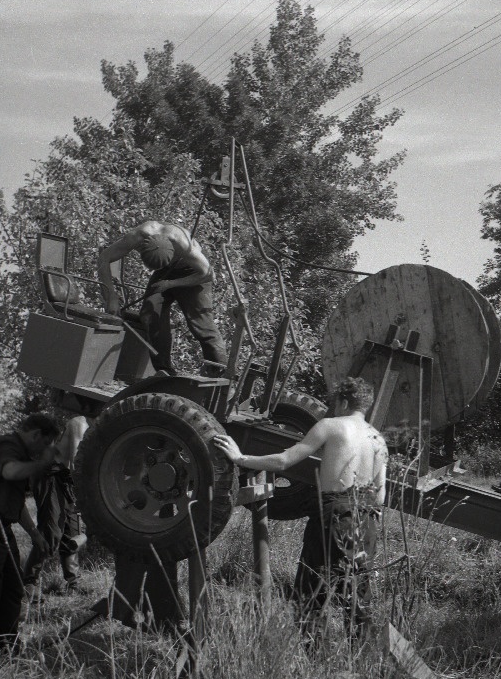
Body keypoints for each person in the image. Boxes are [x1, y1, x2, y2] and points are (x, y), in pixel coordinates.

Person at [213, 377, 388, 642]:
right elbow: (381, 495)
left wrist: (241, 458)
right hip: (367, 519)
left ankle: (316, 658)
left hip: (335, 515)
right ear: (366, 405)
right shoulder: (379, 439)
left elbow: (284, 461)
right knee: (357, 597)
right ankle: (363, 661)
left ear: (342, 402)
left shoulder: (330, 426)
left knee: (310, 594)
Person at [0, 413, 60, 656]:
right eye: (45, 444)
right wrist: (42, 464)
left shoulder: (21, 454)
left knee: (13, 585)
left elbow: (16, 503)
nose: (43, 451)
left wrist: (34, 534)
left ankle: (5, 643)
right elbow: (10, 472)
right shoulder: (5, 445)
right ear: (36, 434)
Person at [98, 220, 228, 376]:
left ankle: (220, 373)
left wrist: (171, 283)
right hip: (165, 273)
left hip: (193, 274)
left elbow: (208, 275)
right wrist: (111, 296)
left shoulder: (184, 245)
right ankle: (164, 371)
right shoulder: (138, 236)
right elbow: (104, 258)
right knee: (149, 315)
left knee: (201, 324)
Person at [23, 415, 89, 599]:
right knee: (51, 531)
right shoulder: (79, 422)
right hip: (51, 475)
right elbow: (76, 461)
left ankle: (73, 583)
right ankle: (29, 582)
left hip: (68, 479)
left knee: (72, 531)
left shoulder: (100, 427)